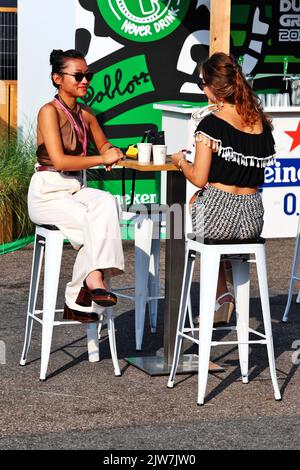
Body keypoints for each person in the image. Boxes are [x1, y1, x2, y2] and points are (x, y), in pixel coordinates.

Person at [171, 52, 275, 325]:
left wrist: (180, 162)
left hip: (219, 219)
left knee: (192, 204)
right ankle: (226, 274)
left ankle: (221, 292)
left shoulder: (210, 124)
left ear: (213, 87)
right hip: (253, 218)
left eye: (202, 84)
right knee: (202, 204)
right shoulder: (260, 122)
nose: (202, 89)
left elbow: (199, 178)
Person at [28, 49, 125, 323]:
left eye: (88, 75)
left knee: (107, 203)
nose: (85, 80)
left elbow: (103, 144)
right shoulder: (49, 112)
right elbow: (58, 161)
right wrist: (100, 158)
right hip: (47, 192)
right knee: (91, 222)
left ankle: (79, 294)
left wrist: (112, 151)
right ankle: (91, 281)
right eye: (79, 75)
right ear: (57, 78)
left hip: (75, 189)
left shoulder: (86, 114)